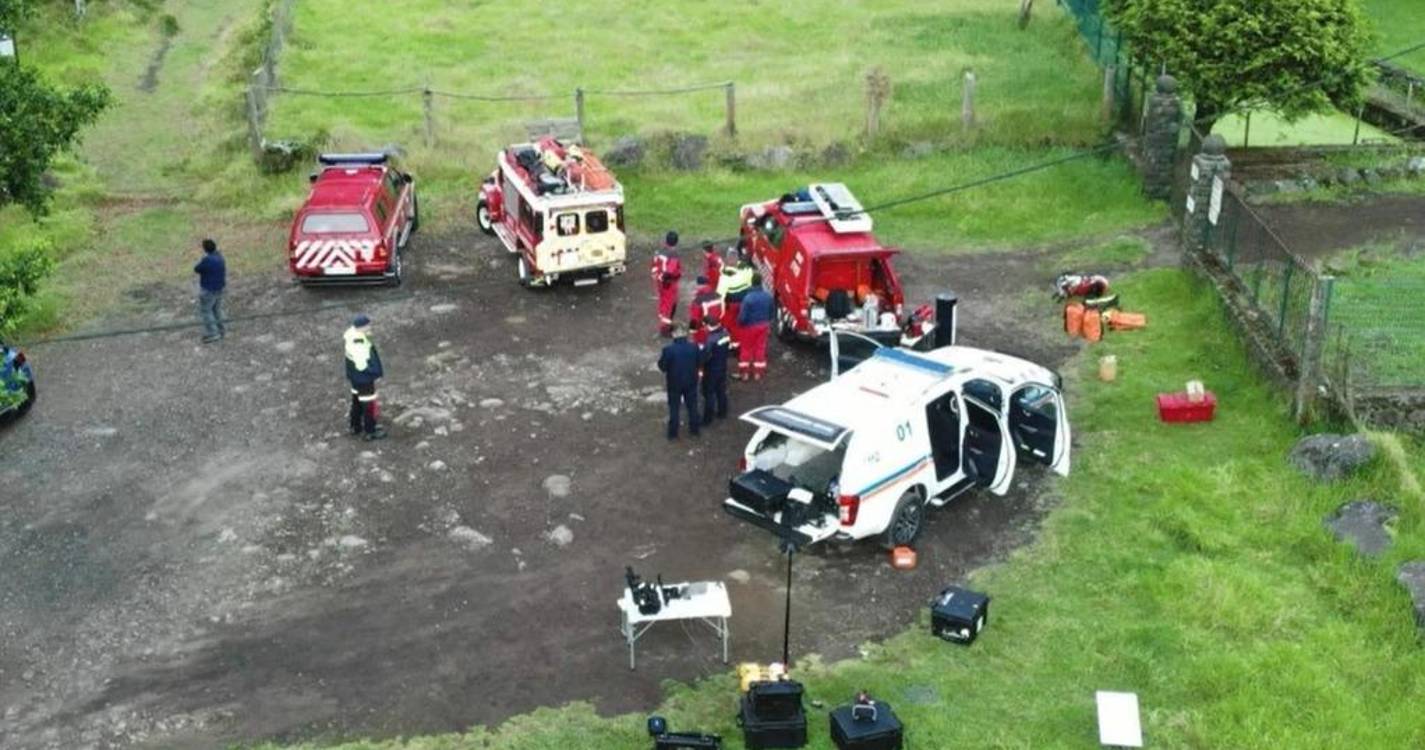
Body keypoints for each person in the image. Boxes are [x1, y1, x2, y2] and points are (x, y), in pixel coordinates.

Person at [344, 314, 387, 441]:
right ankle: (370, 431)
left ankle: (355, 426)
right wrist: (373, 372)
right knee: (369, 404)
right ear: (361, 327)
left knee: (357, 401)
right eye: (367, 325)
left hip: (355, 377)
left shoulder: (351, 336)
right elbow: (361, 365)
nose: (369, 327)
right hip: (363, 379)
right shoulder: (359, 344)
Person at [657, 322, 700, 440]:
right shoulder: (694, 347)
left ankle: (673, 434)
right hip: (691, 381)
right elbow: (699, 361)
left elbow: (663, 367)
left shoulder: (668, 350)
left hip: (674, 382)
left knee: (674, 408)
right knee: (692, 406)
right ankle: (695, 431)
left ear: (673, 334)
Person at [717, 248, 755, 354]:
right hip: (745, 301)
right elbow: (750, 283)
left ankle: (735, 345)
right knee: (744, 322)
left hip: (732, 305)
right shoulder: (746, 269)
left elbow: (720, 295)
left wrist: (721, 311)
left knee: (732, 325)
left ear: (728, 259)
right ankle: (744, 343)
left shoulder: (725, 276)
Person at [738, 275, 774, 381]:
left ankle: (744, 373)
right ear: (761, 282)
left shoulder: (748, 298)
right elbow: (772, 313)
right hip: (764, 325)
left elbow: (743, 317)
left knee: (746, 348)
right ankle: (758, 373)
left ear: (751, 283)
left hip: (750, 326)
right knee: (760, 348)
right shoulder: (768, 296)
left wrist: (740, 324)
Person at [193, 238, 226, 343]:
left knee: (206, 311)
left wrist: (203, 259)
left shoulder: (207, 260)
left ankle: (213, 333)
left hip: (208, 290)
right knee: (217, 310)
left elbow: (197, 269)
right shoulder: (220, 257)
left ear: (205, 249)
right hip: (219, 288)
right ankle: (221, 330)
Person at [650, 231, 683, 337]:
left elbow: (654, 266)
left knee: (664, 303)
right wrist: (665, 279)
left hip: (660, 283)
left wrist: (657, 277)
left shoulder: (659, 251)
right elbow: (670, 271)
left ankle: (666, 325)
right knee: (669, 305)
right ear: (676, 242)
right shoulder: (673, 254)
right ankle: (665, 329)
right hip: (669, 284)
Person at [700, 320, 731, 426]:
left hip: (711, 370)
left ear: (707, 325)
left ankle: (707, 419)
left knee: (709, 394)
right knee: (721, 391)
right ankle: (722, 412)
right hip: (722, 366)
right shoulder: (726, 333)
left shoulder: (711, 339)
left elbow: (705, 356)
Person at [688, 276, 724, 346]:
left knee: (702, 344)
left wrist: (692, 329)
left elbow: (695, 318)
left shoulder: (698, 300)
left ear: (699, 285)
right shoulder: (717, 295)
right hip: (717, 324)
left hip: (704, 327)